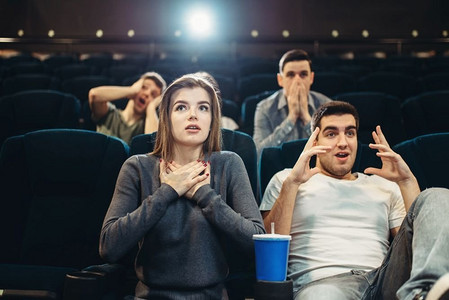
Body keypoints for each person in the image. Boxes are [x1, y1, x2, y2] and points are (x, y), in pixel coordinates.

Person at [260, 101, 449, 300]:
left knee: (437, 195)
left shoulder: (383, 185)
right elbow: (269, 248)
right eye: (331, 134)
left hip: (382, 280)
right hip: (323, 285)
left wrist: (406, 181)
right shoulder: (287, 180)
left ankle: (427, 292)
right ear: (314, 141)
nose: (343, 142)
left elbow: (415, 245)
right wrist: (292, 185)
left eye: (350, 133)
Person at [99, 74, 265, 299]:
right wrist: (167, 192)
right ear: (166, 118)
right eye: (181, 107)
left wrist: (204, 194)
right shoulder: (137, 167)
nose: (193, 115)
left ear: (212, 119)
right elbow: (109, 247)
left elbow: (257, 243)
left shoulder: (229, 163)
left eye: (203, 108)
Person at [253, 49, 332, 157]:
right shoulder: (264, 108)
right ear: (280, 80)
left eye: (303, 74)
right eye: (291, 75)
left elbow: (331, 150)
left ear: (311, 78)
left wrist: (306, 118)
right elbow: (258, 154)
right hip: (278, 169)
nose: (297, 81)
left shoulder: (326, 105)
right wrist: (291, 118)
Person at [88, 72, 166, 144]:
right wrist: (131, 90)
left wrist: (151, 108)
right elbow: (94, 95)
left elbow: (155, 145)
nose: (147, 94)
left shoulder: (146, 126)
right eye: (144, 87)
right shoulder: (110, 113)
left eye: (153, 95)